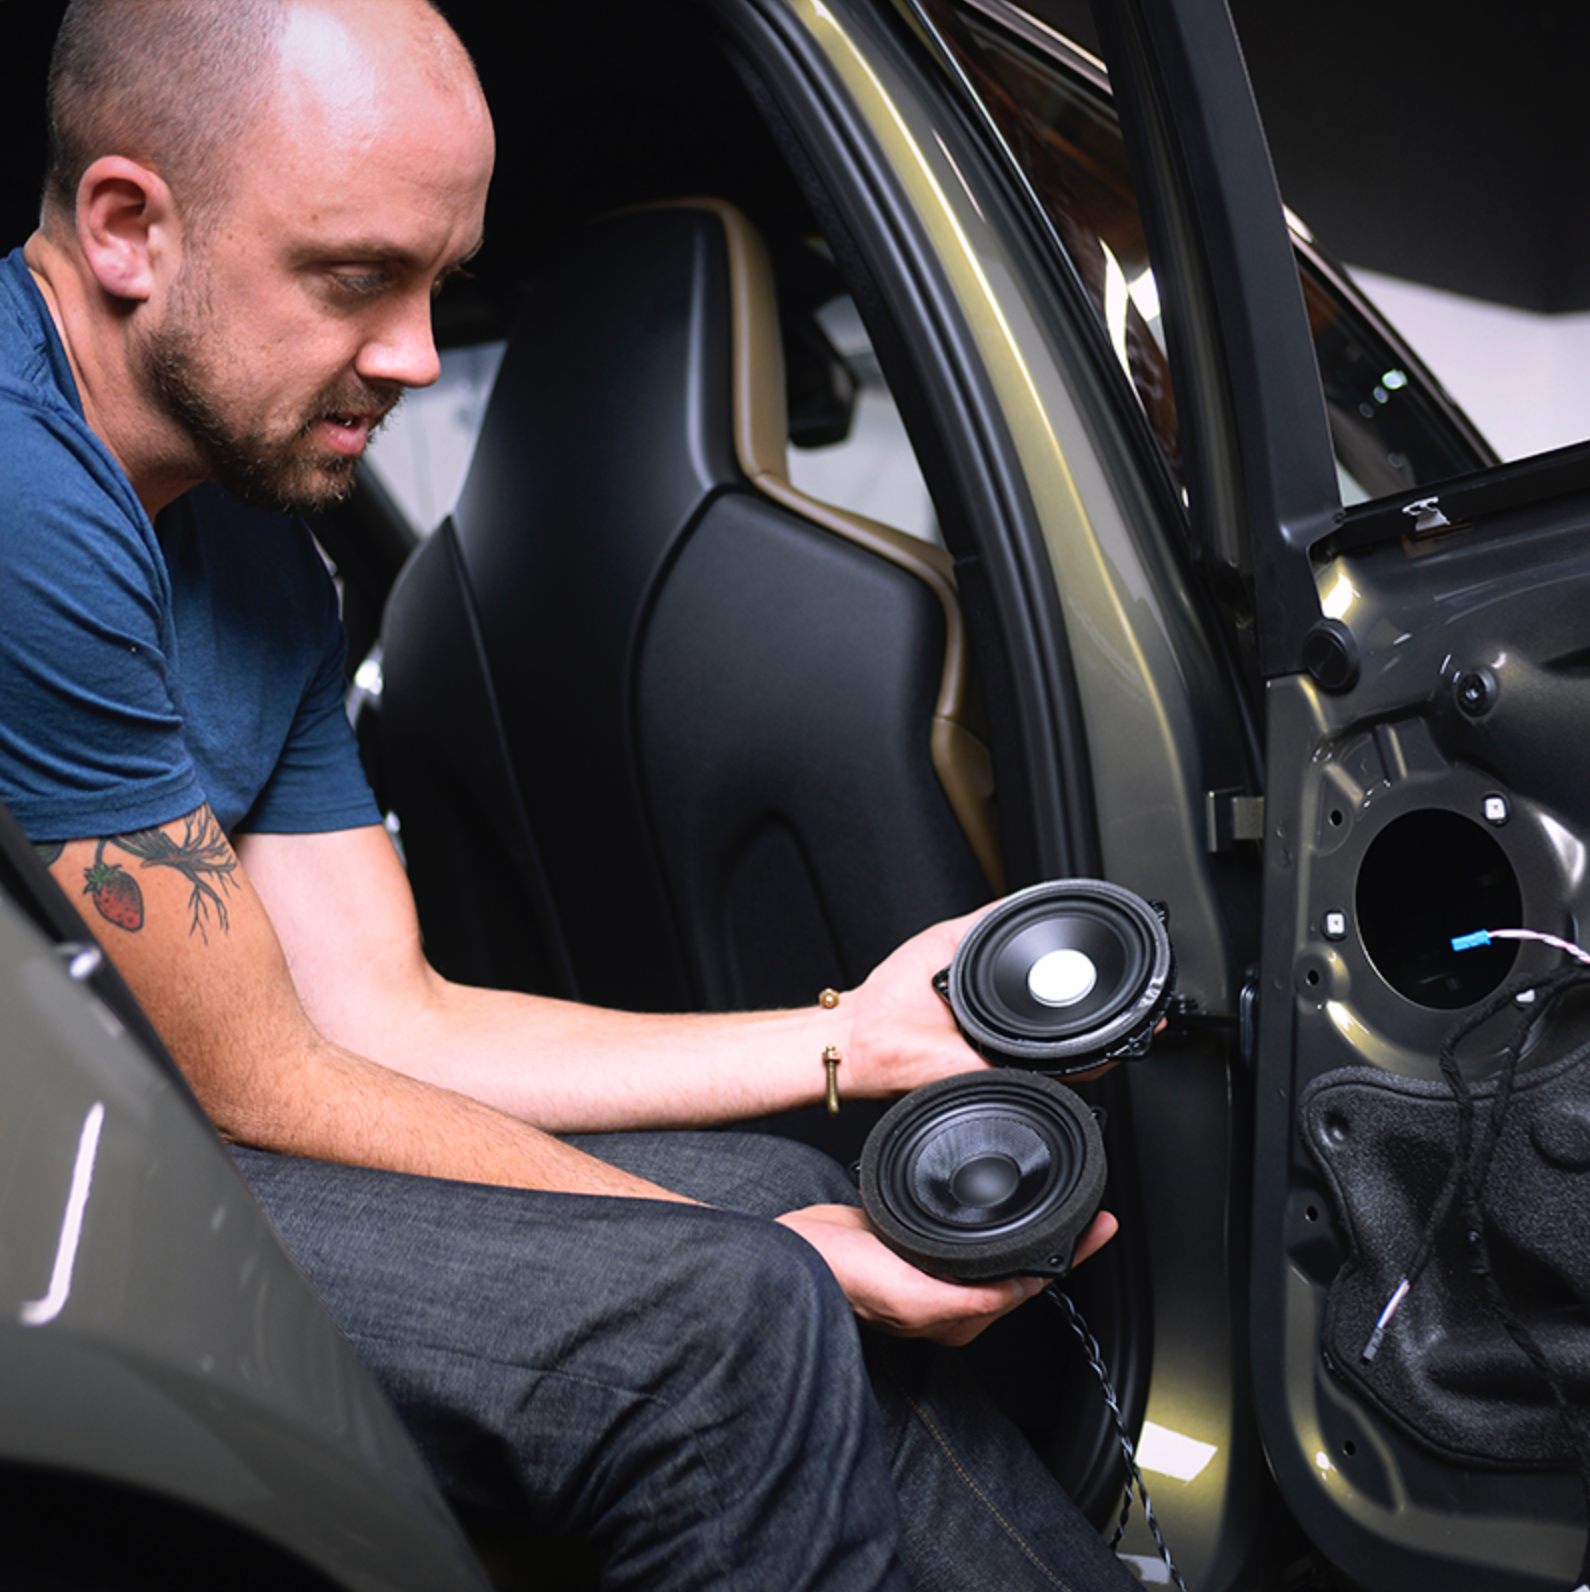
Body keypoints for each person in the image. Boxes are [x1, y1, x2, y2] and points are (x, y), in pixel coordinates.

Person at [0, 2, 1138, 1587]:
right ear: (127, 225)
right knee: (727, 1308)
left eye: (434, 287)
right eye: (352, 280)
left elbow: (382, 1014)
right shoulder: (22, 491)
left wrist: (842, 1040)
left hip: (141, 1126)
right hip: (38, 1183)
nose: (407, 355)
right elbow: (255, 1079)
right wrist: (750, 1264)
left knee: (779, 1193)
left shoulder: (261, 539)